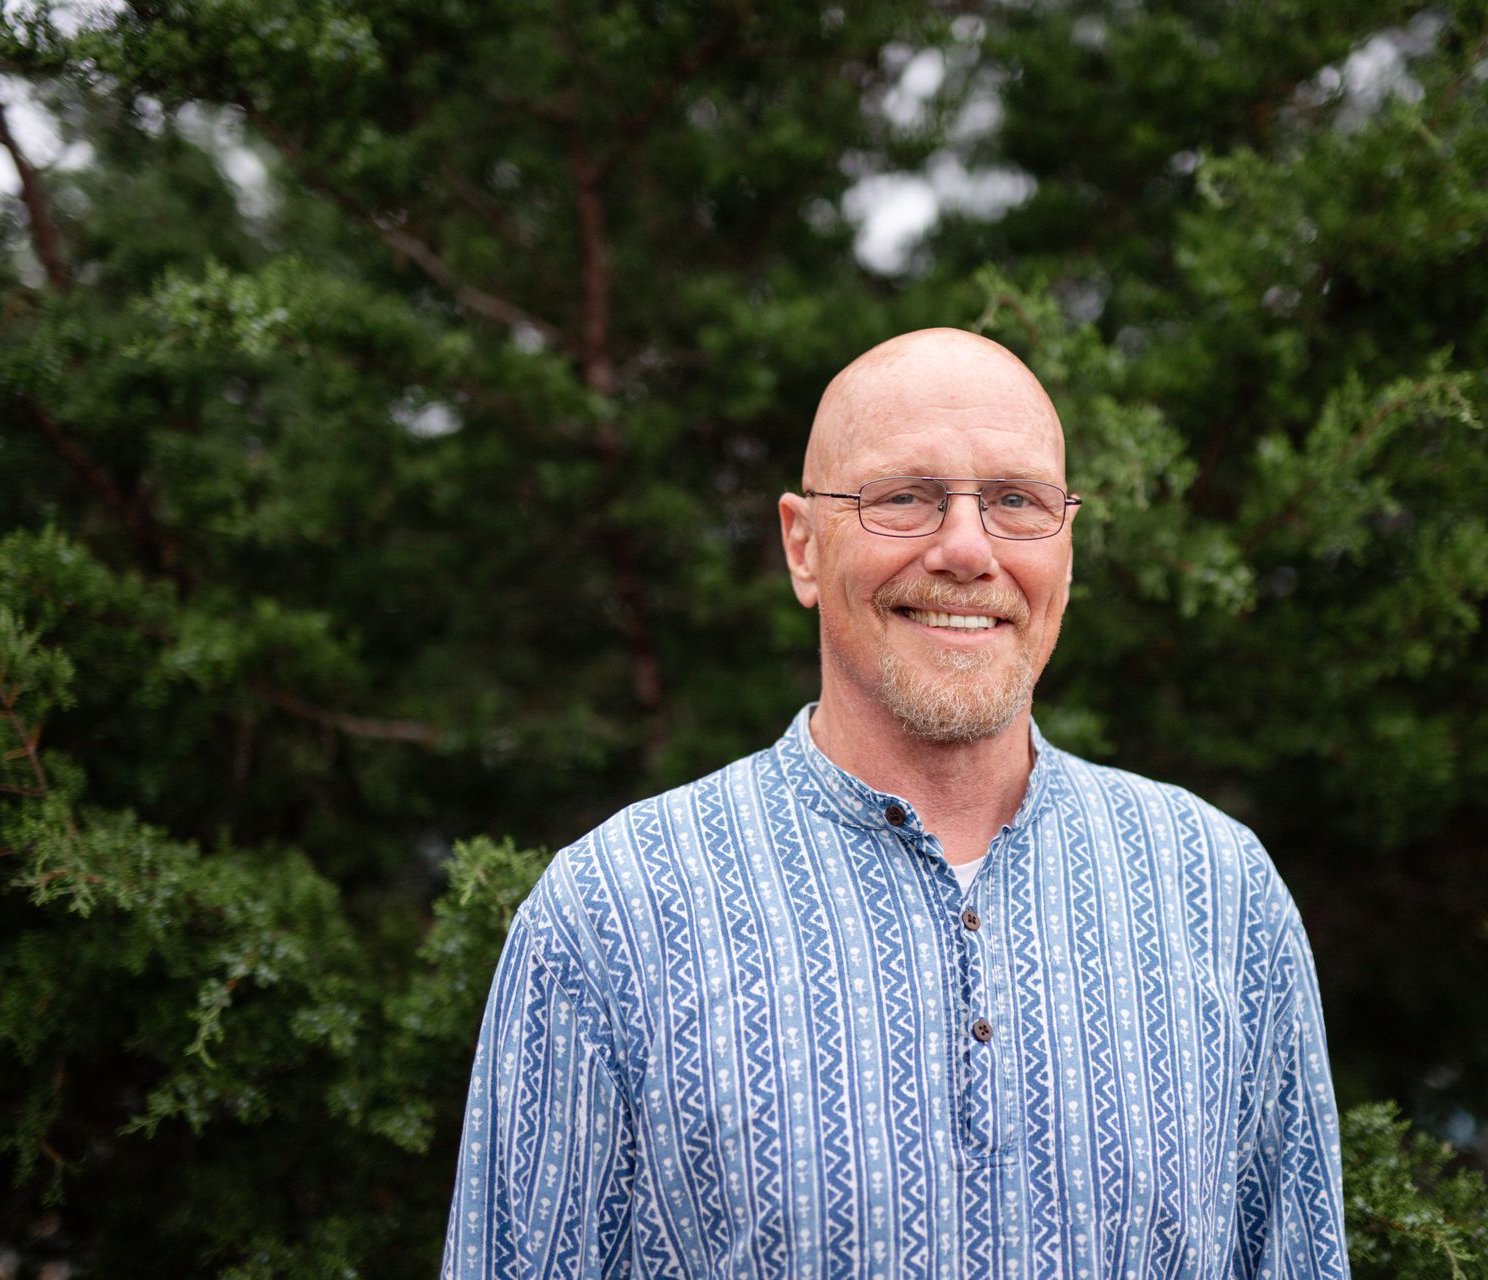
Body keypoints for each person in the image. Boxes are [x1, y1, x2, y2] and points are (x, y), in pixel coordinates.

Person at [442, 329, 1349, 1279]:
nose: (966, 548)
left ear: (1067, 551)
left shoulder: (1217, 890)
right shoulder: (613, 911)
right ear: (802, 543)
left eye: (1015, 502)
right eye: (904, 497)